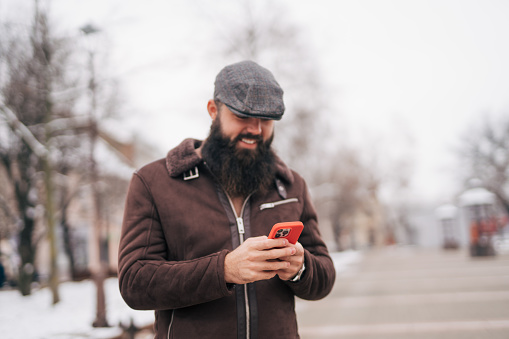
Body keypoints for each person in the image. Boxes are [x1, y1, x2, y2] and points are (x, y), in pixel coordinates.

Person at [118, 60, 336, 339]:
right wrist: (224, 270)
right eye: (243, 116)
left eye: (266, 120)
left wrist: (300, 268)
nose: (256, 130)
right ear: (213, 110)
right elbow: (135, 282)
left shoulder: (290, 185)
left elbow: (325, 277)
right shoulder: (154, 183)